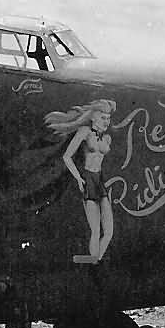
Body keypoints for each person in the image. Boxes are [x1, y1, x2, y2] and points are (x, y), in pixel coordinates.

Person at [44, 99, 116, 262]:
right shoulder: (84, 132)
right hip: (88, 178)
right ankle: (93, 261)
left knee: (109, 231)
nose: (107, 122)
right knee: (96, 230)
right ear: (94, 118)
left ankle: (96, 259)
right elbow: (67, 156)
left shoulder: (107, 139)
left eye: (108, 118)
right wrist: (78, 178)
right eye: (103, 118)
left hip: (100, 180)